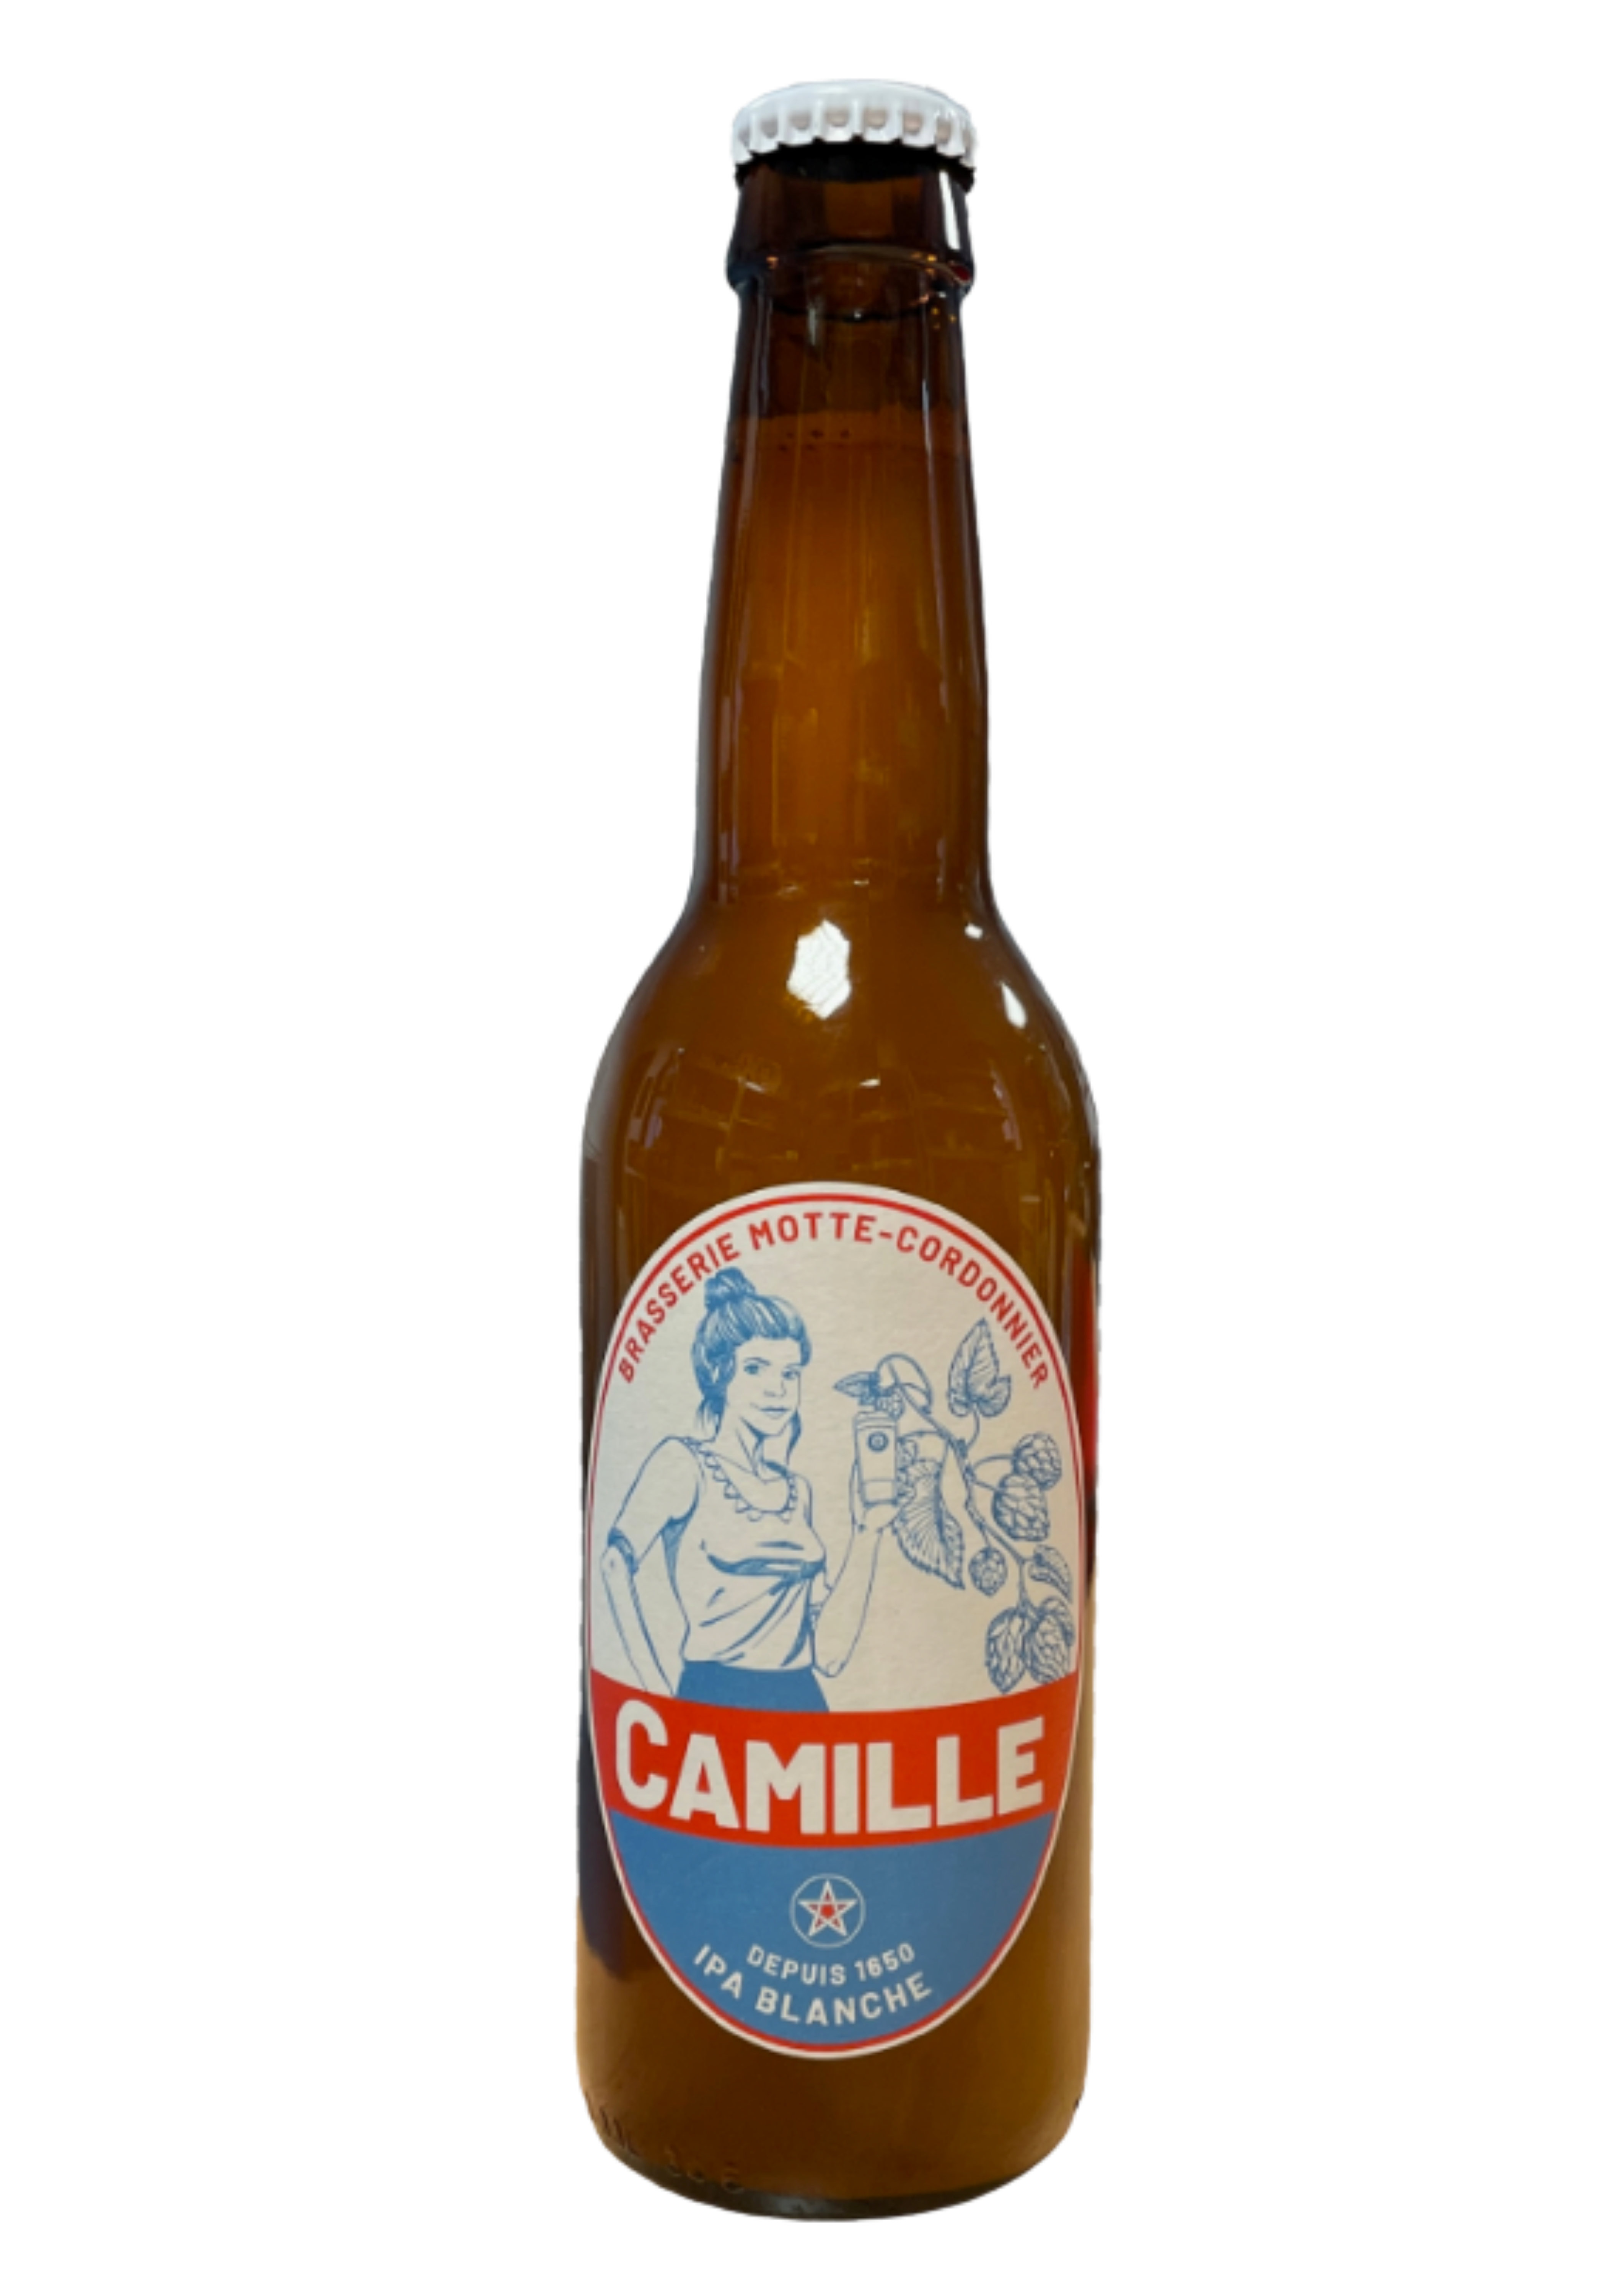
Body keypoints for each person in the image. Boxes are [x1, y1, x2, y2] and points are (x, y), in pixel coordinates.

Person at [601, 1270, 896, 1712]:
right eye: (756, 1369)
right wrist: (655, 1694)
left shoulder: (797, 1491)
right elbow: (614, 1564)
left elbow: (831, 1656)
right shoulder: (684, 1463)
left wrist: (868, 1530)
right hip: (716, 1696)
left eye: (791, 1374)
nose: (778, 1390)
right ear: (720, 1375)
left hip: (804, 1699)